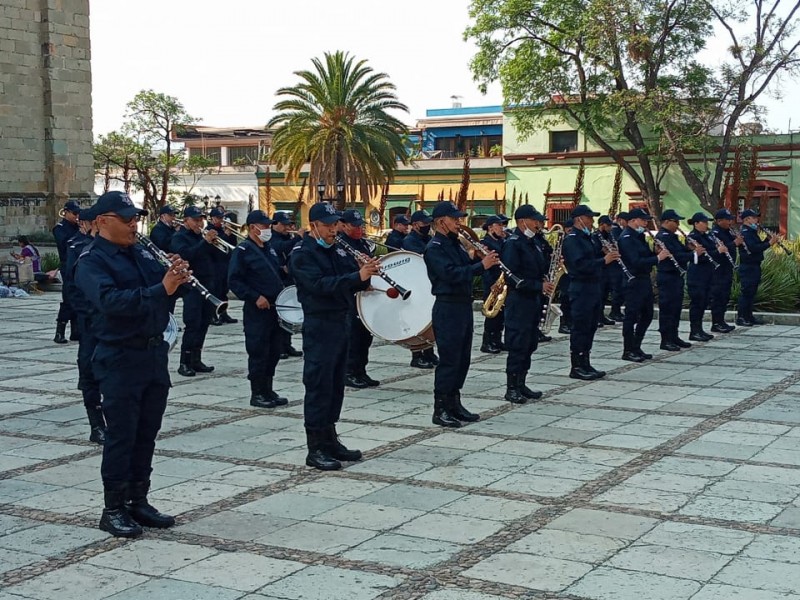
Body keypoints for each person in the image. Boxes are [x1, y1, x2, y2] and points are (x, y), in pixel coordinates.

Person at [75, 190, 186, 538]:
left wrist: (176, 278)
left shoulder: (139, 251)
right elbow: (110, 302)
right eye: (127, 219)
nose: (134, 224)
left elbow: (163, 293)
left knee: (146, 433)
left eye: (136, 218)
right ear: (104, 221)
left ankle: (139, 499)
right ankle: (113, 508)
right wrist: (161, 288)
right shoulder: (91, 259)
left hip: (152, 354)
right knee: (122, 435)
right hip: (119, 356)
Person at [289, 202, 380, 470]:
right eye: (328, 225)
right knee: (319, 385)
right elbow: (319, 285)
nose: (333, 229)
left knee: (335, 384)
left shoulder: (339, 248)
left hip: (341, 322)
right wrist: (356, 274)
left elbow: (351, 281)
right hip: (320, 324)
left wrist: (365, 272)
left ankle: (330, 439)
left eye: (335, 224)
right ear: (313, 225)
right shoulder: (302, 254)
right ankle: (315, 447)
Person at [424, 201, 499, 427]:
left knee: (462, 358)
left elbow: (464, 265)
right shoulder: (435, 247)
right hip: (447, 307)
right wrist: (481, 266)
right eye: (454, 219)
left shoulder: (454, 243)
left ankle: (454, 402)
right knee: (449, 359)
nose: (459, 222)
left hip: (462, 305)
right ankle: (441, 408)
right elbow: (451, 274)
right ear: (440, 222)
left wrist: (477, 257)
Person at [228, 210, 289, 408]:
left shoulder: (268, 248)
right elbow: (234, 281)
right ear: (253, 227)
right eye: (263, 225)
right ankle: (257, 393)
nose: (267, 229)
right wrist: (254, 296)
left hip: (275, 307)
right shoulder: (243, 250)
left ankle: (268, 389)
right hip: (258, 309)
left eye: (268, 225)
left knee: (273, 351)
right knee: (259, 352)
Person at [501, 205, 553, 404]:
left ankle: (522, 383)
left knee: (530, 343)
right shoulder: (514, 244)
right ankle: (512, 387)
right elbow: (512, 277)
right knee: (518, 344)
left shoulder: (534, 242)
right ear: (523, 221)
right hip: (519, 301)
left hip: (533, 300)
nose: (538, 224)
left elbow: (539, 267)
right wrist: (538, 286)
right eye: (535, 220)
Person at [64, 208, 106, 444]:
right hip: (91, 321)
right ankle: (96, 425)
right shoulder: (78, 246)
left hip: (113, 322)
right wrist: (91, 313)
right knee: (89, 370)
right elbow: (72, 287)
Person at [562, 206, 617, 379]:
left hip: (593, 287)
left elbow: (592, 258)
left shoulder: (588, 238)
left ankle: (586, 362)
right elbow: (579, 266)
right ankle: (577, 366)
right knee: (580, 327)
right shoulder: (572, 239)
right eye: (589, 218)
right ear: (579, 219)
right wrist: (604, 260)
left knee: (591, 326)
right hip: (581, 288)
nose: (592, 222)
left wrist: (603, 253)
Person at [618, 208, 671, 362]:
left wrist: (655, 252)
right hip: (633, 281)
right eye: (643, 220)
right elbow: (635, 261)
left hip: (643, 280)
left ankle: (636, 345)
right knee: (631, 316)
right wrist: (658, 258)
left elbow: (645, 256)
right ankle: (628, 349)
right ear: (634, 220)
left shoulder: (638, 236)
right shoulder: (626, 238)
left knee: (647, 314)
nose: (646, 223)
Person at [171, 206, 218, 377]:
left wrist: (214, 241)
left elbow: (217, 256)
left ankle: (196, 359)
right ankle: (185, 361)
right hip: (191, 286)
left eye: (201, 219)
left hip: (208, 283)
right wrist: (204, 242)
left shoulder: (201, 237)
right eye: (196, 220)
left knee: (204, 322)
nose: (200, 223)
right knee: (193, 323)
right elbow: (187, 255)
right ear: (186, 221)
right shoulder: (179, 237)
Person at [338, 209, 380, 389]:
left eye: (360, 225)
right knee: (353, 338)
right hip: (350, 298)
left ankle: (361, 371)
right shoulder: (340, 246)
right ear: (343, 225)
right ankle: (349, 372)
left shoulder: (361, 243)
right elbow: (344, 272)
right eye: (354, 226)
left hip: (365, 296)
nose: (359, 229)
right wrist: (360, 275)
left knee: (365, 337)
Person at [401, 209, 440, 368]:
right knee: (416, 320)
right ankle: (416, 355)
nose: (427, 226)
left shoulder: (429, 238)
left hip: (427, 284)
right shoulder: (410, 240)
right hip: (414, 284)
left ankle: (429, 352)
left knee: (428, 320)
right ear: (415, 225)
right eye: (424, 223)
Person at [655, 209, 694, 351]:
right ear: (666, 222)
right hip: (667, 276)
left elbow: (681, 251)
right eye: (675, 221)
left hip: (676, 276)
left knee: (675, 308)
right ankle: (665, 339)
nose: (678, 224)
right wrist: (692, 255)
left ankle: (674, 335)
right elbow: (676, 255)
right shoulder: (663, 237)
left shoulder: (672, 236)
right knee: (667, 308)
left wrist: (690, 250)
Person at [270, 211, 303, 359]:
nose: (286, 227)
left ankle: (287, 344)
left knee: (287, 314)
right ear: (274, 224)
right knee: (279, 316)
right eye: (283, 225)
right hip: (278, 279)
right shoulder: (272, 237)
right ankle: (279, 347)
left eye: (288, 224)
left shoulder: (287, 237)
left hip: (289, 279)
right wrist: (297, 237)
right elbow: (281, 248)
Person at [736, 209, 777, 326]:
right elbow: (753, 248)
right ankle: (742, 317)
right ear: (747, 219)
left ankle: (749, 316)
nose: (756, 220)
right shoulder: (745, 232)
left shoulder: (752, 231)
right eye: (754, 218)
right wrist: (769, 243)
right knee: (747, 292)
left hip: (754, 265)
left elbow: (758, 245)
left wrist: (767, 240)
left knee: (752, 292)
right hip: (748, 266)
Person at [686, 212, 722, 342]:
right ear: (696, 224)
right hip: (697, 275)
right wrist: (717, 251)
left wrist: (717, 250)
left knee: (703, 302)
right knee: (697, 303)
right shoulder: (692, 237)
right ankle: (694, 330)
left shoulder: (706, 236)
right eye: (704, 222)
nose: (707, 225)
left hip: (708, 273)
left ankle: (699, 329)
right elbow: (700, 255)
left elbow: (710, 250)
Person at [52, 200, 81, 343]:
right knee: (68, 298)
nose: (77, 216)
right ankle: (60, 331)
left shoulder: (77, 227)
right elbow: (66, 244)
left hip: (79, 265)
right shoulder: (60, 228)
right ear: (66, 212)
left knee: (78, 297)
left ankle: (76, 330)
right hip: (67, 266)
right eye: (74, 213)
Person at [479, 214, 508, 354]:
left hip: (501, 280)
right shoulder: (486, 243)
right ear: (491, 227)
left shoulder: (502, 240)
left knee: (500, 312)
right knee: (492, 314)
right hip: (491, 281)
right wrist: (492, 283)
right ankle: (487, 342)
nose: (502, 228)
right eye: (500, 225)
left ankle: (497, 340)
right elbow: (487, 265)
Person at [709, 208, 741, 332]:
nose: (730, 222)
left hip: (727, 268)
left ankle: (721, 321)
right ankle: (716, 323)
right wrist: (734, 243)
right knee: (718, 296)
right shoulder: (715, 233)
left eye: (730, 219)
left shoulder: (728, 231)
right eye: (727, 220)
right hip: (719, 269)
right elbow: (720, 250)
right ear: (719, 221)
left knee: (724, 296)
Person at [206, 207, 238, 326]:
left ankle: (224, 314)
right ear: (212, 218)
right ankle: (212, 315)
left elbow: (232, 245)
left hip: (225, 264)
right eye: (219, 218)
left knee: (224, 290)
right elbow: (214, 247)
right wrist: (224, 235)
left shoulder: (224, 229)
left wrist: (230, 234)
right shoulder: (209, 230)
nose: (221, 220)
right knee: (215, 290)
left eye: (222, 218)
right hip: (214, 265)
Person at [594, 215, 620, 326]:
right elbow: (593, 252)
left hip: (609, 268)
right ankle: (596, 317)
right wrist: (602, 251)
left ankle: (602, 316)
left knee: (605, 293)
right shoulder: (595, 236)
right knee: (599, 294)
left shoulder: (609, 235)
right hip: (600, 267)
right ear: (602, 225)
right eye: (608, 225)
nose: (610, 227)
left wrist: (614, 248)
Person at [608, 212, 629, 320]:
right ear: (620, 220)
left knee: (619, 289)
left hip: (616, 264)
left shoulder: (617, 230)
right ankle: (615, 312)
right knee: (617, 289)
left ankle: (616, 311)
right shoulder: (615, 230)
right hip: (614, 265)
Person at [557, 219, 574, 334]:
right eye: (569, 228)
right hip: (565, 275)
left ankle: (569, 323)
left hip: (571, 274)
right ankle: (563, 324)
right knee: (565, 300)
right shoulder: (563, 240)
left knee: (570, 301)